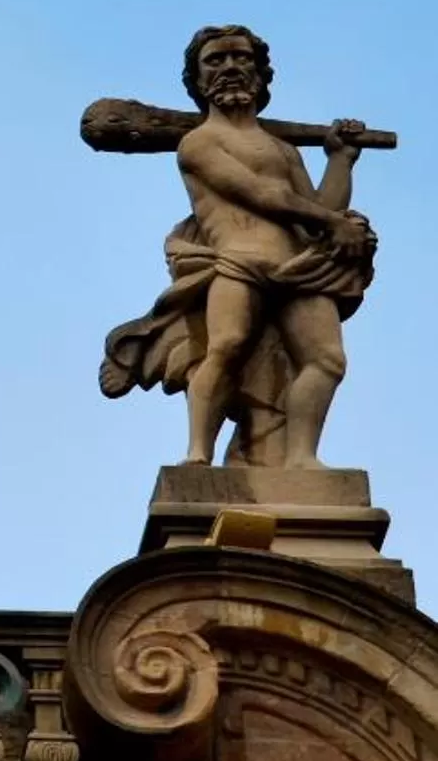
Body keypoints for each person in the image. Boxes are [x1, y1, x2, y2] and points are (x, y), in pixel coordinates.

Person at [100, 25, 376, 467]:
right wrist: (329, 221)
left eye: (241, 58)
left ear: (260, 74)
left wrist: (340, 160)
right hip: (239, 261)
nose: (230, 67)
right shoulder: (198, 143)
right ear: (198, 79)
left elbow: (318, 210)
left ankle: (301, 459)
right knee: (226, 347)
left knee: (327, 360)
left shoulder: (284, 151)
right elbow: (258, 194)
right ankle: (198, 454)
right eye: (215, 60)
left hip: (298, 266)